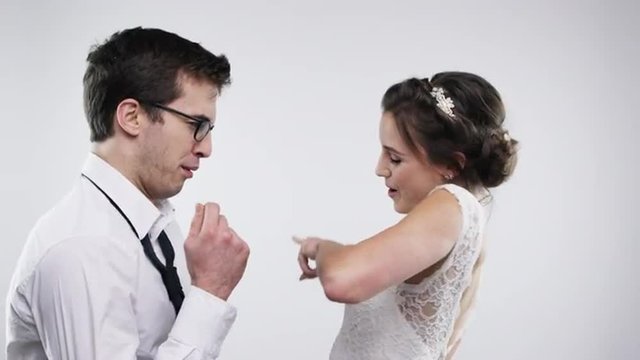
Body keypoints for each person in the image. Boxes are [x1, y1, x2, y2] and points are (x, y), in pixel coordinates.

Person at [5, 27, 250, 359]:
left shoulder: (152, 226)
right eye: (197, 125)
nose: (207, 148)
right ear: (132, 117)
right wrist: (210, 291)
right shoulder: (83, 249)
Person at [295, 71, 518, 359]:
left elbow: (342, 279)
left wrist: (321, 248)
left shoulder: (453, 203)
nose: (380, 168)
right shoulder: (467, 221)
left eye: (395, 158)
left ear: (451, 164)